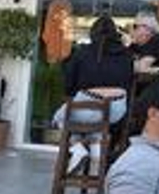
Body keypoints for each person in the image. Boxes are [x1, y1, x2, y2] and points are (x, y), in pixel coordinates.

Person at [56, 16, 136, 173]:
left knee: (60, 117)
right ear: (115, 33)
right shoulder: (127, 55)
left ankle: (78, 148)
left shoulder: (82, 53)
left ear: (93, 33)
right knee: (96, 121)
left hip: (87, 109)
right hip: (115, 113)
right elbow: (127, 84)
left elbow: (68, 84)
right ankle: (95, 150)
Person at [128, 10, 159, 91]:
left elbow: (141, 67)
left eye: (135, 26)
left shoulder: (158, 40)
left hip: (154, 96)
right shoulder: (134, 45)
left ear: (147, 28)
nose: (132, 30)